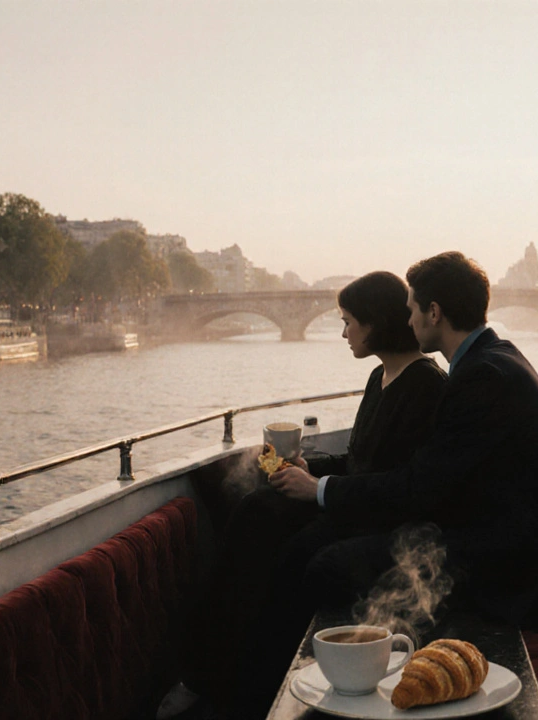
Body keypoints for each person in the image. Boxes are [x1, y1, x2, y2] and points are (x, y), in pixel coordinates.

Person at [269, 251, 538, 627]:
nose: (408, 320)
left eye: (412, 309)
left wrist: (320, 489)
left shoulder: (482, 378)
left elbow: (420, 486)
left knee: (328, 566)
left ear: (434, 313)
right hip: (502, 539)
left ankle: (328, 661)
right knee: (328, 553)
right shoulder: (492, 360)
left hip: (519, 568)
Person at [189, 271, 446, 717]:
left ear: (374, 323)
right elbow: (360, 459)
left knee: (292, 553)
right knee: (255, 510)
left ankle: (253, 687)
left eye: (348, 322)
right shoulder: (380, 377)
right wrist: (312, 470)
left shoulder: (425, 385)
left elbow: (401, 483)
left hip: (380, 520)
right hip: (352, 505)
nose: (344, 333)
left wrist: (318, 490)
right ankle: (221, 669)